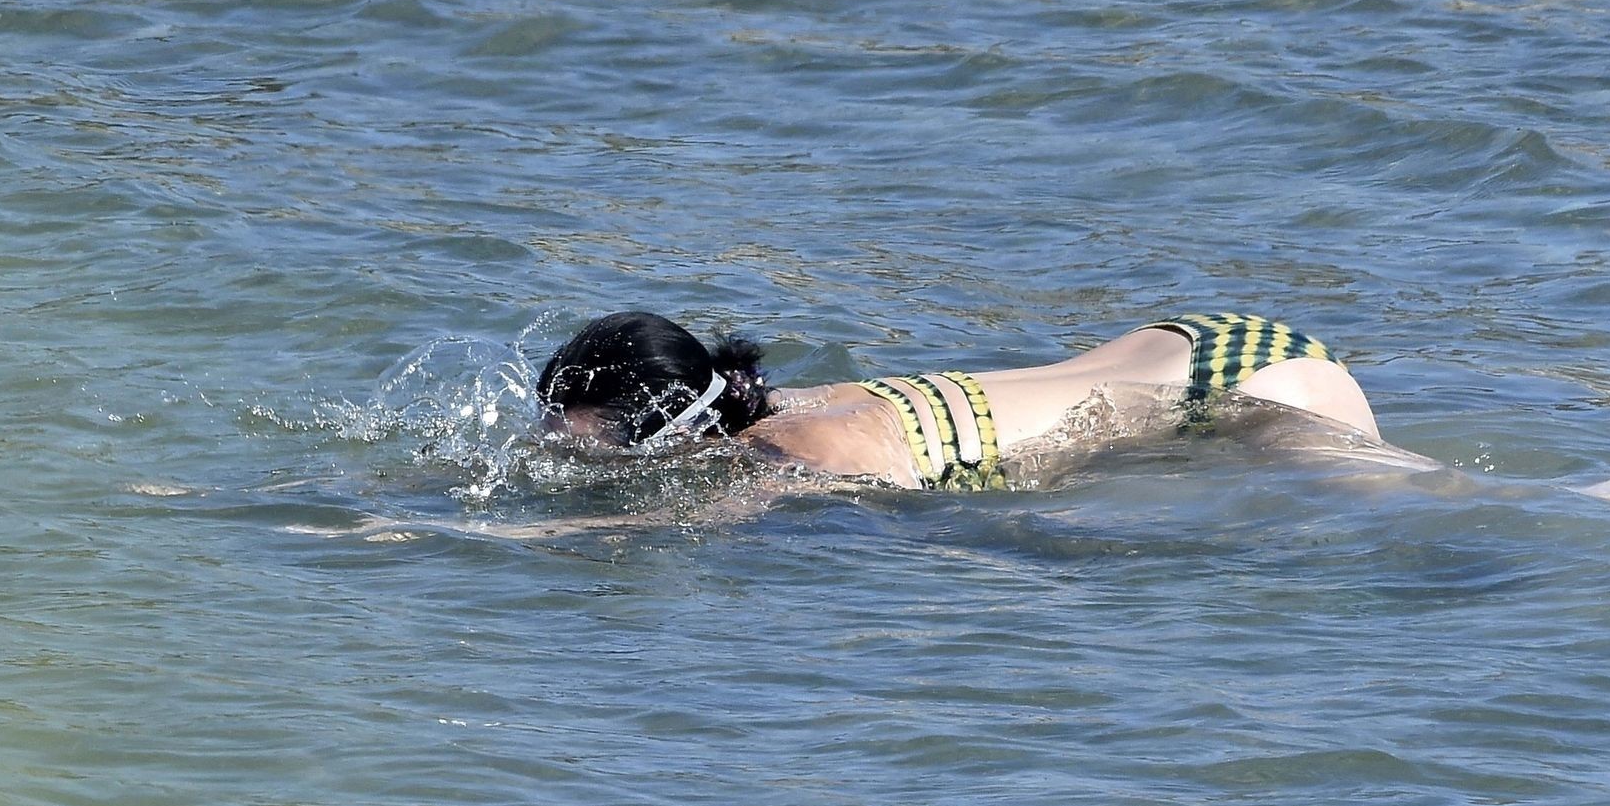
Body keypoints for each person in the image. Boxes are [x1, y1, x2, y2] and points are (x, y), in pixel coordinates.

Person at [534, 309, 1390, 490]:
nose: (557, 452)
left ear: (672, 433)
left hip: (1262, 388)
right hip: (1193, 337)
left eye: (580, 444)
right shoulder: (760, 403)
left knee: (1422, 521)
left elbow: (659, 524)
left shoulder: (793, 449)